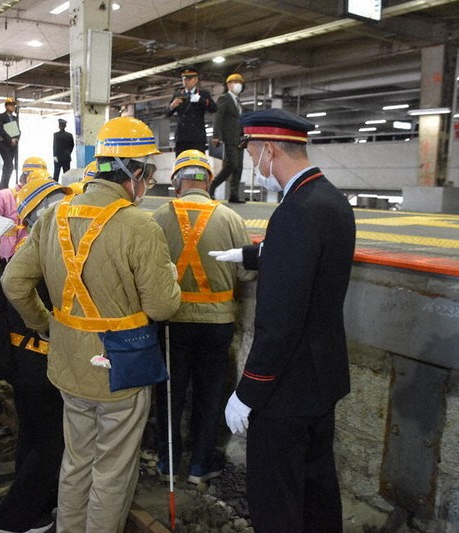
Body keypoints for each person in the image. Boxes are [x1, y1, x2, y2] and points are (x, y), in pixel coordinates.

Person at [1, 116, 181, 532]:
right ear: (134, 173)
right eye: (148, 173)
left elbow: (13, 282)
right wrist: (169, 279)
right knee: (112, 470)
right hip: (121, 370)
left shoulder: (54, 215)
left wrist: (44, 323)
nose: (148, 182)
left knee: (77, 459)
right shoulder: (140, 225)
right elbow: (162, 308)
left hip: (68, 365)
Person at [214, 108, 356, 532]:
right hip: (322, 379)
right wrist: (248, 254)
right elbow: (308, 260)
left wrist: (248, 392)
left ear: (269, 150)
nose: (254, 166)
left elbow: (280, 320)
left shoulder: (294, 211)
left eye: (252, 154)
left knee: (277, 500)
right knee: (317, 492)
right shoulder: (331, 200)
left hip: (285, 389)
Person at [151, 150, 255, 485]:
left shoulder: (158, 217)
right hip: (216, 325)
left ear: (176, 182)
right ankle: (200, 466)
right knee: (210, 395)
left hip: (172, 323)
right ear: (209, 181)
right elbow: (247, 272)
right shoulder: (230, 219)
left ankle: (168, 463)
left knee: (170, 395)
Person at [0, 177, 72, 533]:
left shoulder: (28, 247)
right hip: (41, 363)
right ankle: (14, 518)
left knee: (32, 435)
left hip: (25, 362)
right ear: (45, 211)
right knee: (52, 441)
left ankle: (40, 506)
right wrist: (46, 325)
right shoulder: (45, 251)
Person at [0, 156, 49, 261]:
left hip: (30, 257)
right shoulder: (5, 196)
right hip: (4, 257)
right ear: (23, 178)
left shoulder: (43, 200)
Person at [210, 73, 246, 203]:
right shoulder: (224, 98)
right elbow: (218, 117)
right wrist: (216, 135)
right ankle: (212, 186)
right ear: (228, 85)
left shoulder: (238, 102)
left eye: (240, 83)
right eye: (235, 82)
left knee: (239, 167)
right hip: (229, 137)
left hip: (240, 138)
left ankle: (234, 195)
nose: (238, 85)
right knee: (231, 164)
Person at [165, 67, 217, 155]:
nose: (186, 81)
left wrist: (201, 100)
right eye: (184, 79)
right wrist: (172, 105)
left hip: (197, 137)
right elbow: (167, 113)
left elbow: (214, 108)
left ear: (196, 79)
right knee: (181, 161)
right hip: (181, 137)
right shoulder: (178, 94)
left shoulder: (203, 94)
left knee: (198, 161)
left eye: (189, 79)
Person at [0, 97, 20, 189]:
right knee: (9, 165)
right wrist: (10, 140)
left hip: (13, 146)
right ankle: (4, 186)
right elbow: (0, 130)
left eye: (14, 105)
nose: (13, 107)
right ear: (6, 106)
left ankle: (3, 186)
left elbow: (18, 130)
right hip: (4, 145)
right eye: (11, 105)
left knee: (7, 166)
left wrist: (16, 139)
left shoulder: (15, 118)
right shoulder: (0, 116)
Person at [52, 118, 74, 183]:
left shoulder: (56, 135)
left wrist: (54, 155)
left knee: (56, 174)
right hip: (67, 157)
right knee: (67, 174)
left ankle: (55, 186)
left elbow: (55, 146)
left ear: (59, 126)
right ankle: (67, 185)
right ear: (65, 126)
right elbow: (72, 145)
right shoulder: (69, 135)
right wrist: (69, 153)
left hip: (58, 158)